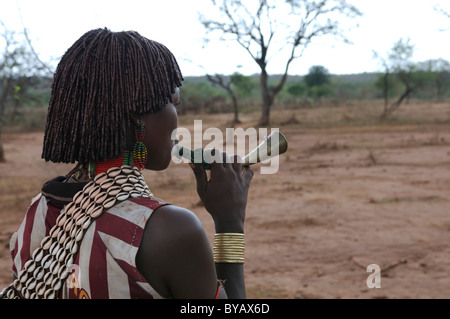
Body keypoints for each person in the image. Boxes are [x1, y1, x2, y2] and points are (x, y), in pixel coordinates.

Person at [1, 28, 253, 299]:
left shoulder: (37, 212)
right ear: (137, 119)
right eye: (174, 103)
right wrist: (230, 220)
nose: (177, 118)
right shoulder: (171, 230)